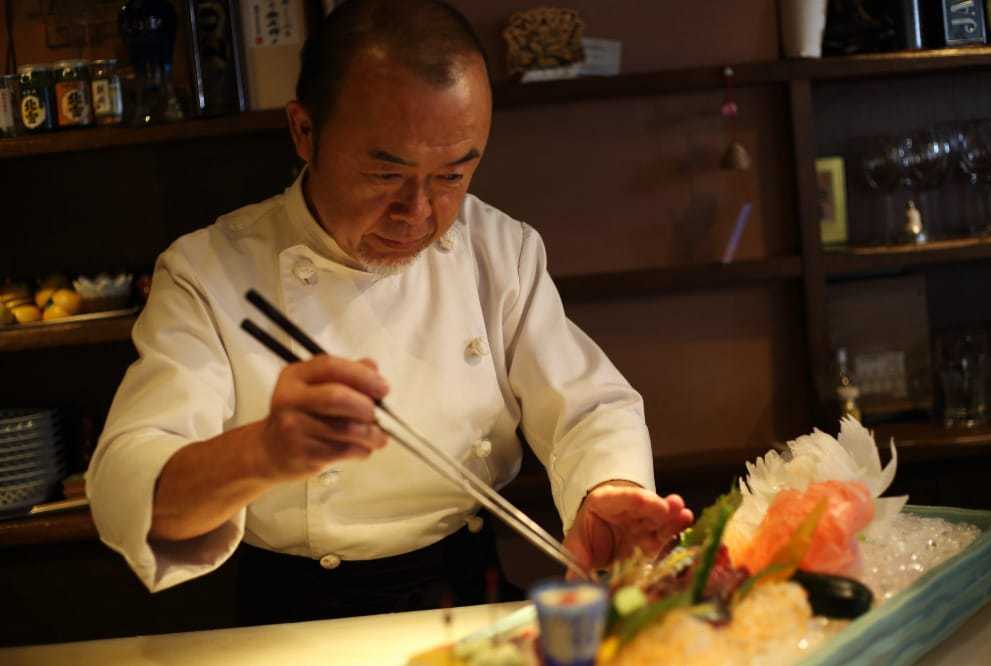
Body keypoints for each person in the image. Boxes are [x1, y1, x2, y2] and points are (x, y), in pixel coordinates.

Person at [86, 0, 693, 625]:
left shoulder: (499, 250)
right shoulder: (209, 273)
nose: (419, 213)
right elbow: (126, 486)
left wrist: (607, 489)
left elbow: (586, 408)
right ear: (304, 131)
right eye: (385, 173)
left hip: (470, 591)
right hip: (295, 620)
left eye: (453, 176)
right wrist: (262, 452)